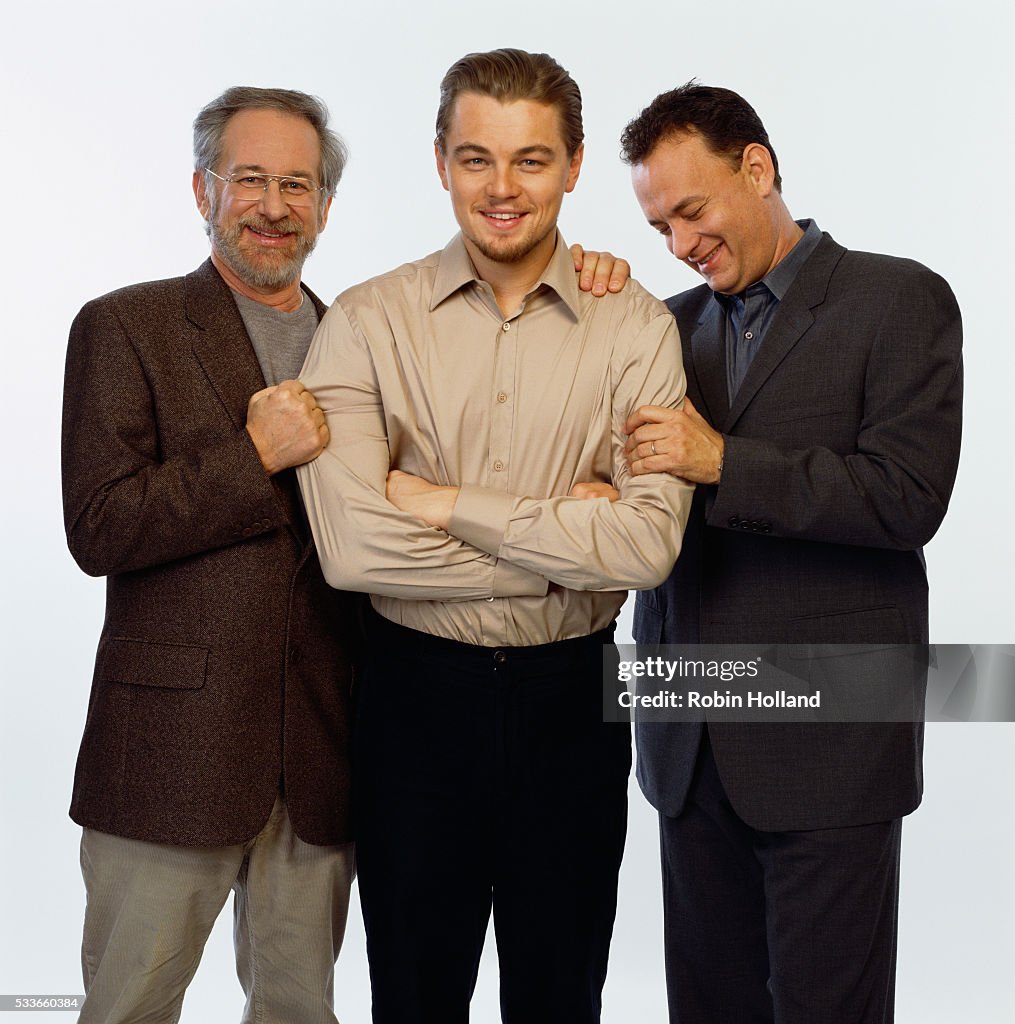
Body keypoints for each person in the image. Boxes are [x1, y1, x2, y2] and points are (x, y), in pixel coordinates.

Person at [61, 82, 629, 1024]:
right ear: (203, 192)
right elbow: (101, 526)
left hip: (326, 750)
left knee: (300, 1011)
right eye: (250, 180)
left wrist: (567, 514)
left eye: (299, 183)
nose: (275, 206)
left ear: (327, 203)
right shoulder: (128, 325)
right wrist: (251, 457)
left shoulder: (365, 332)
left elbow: (425, 508)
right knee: (131, 1005)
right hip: (171, 754)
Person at [297, 48, 694, 1024]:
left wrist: (440, 502)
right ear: (440, 162)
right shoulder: (363, 323)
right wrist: (570, 533)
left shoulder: (635, 327)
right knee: (416, 999)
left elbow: (647, 549)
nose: (502, 188)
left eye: (530, 159)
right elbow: (351, 550)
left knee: (560, 1000)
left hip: (575, 704)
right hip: (412, 701)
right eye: (477, 158)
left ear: (572, 164)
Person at [619, 83, 963, 1023]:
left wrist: (721, 461)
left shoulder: (899, 299)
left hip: (833, 740)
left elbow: (906, 497)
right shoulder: (659, 324)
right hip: (686, 740)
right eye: (659, 228)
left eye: (691, 212)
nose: (680, 244)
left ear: (757, 169)